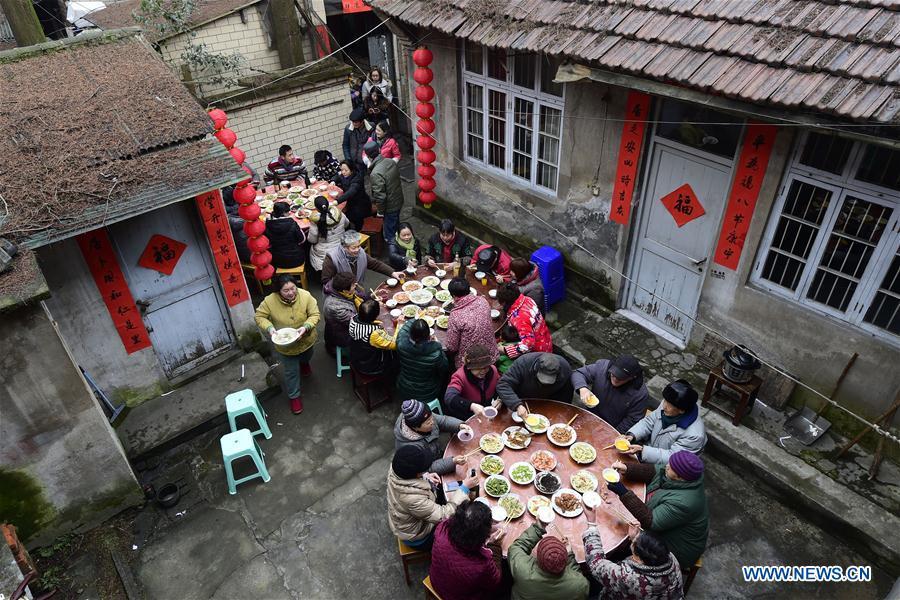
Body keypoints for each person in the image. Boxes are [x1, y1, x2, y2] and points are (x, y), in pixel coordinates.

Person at [605, 450, 709, 571]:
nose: (666, 466)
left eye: (670, 467)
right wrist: (626, 468)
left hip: (673, 548)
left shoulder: (685, 502)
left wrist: (623, 492)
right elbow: (655, 471)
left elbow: (651, 522)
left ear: (680, 477)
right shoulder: (682, 476)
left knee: (618, 537)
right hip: (664, 528)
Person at [387, 445, 476, 548]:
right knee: (465, 528)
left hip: (409, 518)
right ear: (416, 474)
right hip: (418, 535)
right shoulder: (413, 499)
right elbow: (443, 515)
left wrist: (425, 477)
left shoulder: (397, 469)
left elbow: (410, 480)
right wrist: (464, 488)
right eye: (423, 470)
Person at [254, 275, 319, 415]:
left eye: (293, 288)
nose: (291, 293)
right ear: (278, 291)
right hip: (285, 345)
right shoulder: (269, 301)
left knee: (307, 355)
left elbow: (314, 314)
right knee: (291, 372)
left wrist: (306, 326)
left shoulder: (305, 296)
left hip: (306, 339)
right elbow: (259, 316)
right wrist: (270, 328)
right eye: (286, 290)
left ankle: (304, 363)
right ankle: (294, 397)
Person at [582, 523, 683, 600]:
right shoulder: (670, 558)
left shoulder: (630, 578)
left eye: (635, 543)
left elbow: (595, 563)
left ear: (639, 559)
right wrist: (636, 538)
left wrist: (592, 526)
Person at [430, 500, 505, 600]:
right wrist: (494, 545)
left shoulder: (441, 530)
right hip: (457, 596)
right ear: (482, 536)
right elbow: (495, 581)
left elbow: (451, 520)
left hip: (436, 580)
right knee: (503, 586)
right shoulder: (483, 564)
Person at [624, 379, 707, 464]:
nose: (663, 406)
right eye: (665, 400)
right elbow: (649, 421)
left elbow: (673, 458)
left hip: (665, 469)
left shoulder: (694, 436)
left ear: (681, 410)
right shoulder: (668, 404)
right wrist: (632, 435)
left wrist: (643, 451)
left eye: (669, 405)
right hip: (648, 452)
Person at [508, 522, 590, 600]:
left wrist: (537, 529)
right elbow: (576, 575)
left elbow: (516, 548)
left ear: (538, 557)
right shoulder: (580, 585)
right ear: (565, 560)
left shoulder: (522, 570)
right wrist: (569, 554)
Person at [571, 355, 648, 433]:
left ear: (632, 377)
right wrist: (583, 388)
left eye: (620, 378)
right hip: (588, 414)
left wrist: (613, 433)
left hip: (611, 427)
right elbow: (578, 373)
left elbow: (632, 419)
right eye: (614, 374)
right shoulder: (602, 367)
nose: (615, 379)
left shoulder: (640, 394)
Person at [394, 399, 473, 475]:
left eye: (431, 417)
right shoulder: (411, 449)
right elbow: (426, 469)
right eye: (428, 422)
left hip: (437, 454)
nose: (432, 422)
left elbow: (443, 421)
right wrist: (452, 462)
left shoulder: (425, 416)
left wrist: (459, 425)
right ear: (415, 427)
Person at [497, 352, 573, 419]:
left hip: (547, 403)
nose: (544, 383)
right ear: (536, 368)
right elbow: (503, 384)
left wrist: (561, 414)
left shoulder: (565, 369)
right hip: (521, 400)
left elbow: (566, 396)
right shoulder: (523, 362)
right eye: (542, 378)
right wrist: (517, 405)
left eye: (549, 380)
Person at [445, 277, 497, 369]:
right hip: (491, 353)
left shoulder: (455, 315)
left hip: (471, 362)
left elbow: (452, 347)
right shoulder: (483, 301)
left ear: (453, 296)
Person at [321, 230, 403, 287]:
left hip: (356, 290)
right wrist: (345, 286)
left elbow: (375, 264)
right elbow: (326, 281)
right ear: (344, 247)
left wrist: (392, 273)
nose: (357, 250)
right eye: (353, 248)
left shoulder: (361, 252)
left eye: (358, 246)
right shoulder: (331, 259)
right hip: (340, 295)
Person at [364, 141, 404, 254]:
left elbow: (380, 196)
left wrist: (380, 212)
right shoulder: (390, 162)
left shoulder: (375, 173)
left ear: (367, 156)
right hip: (398, 200)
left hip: (389, 207)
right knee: (396, 226)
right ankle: (401, 246)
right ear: (379, 150)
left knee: (389, 234)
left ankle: (395, 255)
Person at [396, 318, 449, 402]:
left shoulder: (401, 344)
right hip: (428, 392)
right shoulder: (436, 353)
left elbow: (403, 330)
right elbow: (444, 368)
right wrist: (437, 344)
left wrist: (415, 319)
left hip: (405, 388)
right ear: (429, 336)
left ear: (410, 334)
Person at [496, 282, 552, 359]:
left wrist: (504, 350)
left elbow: (528, 344)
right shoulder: (527, 299)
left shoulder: (519, 318)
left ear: (504, 302)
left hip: (538, 352)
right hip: (545, 339)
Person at [444, 345, 500, 420]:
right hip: (469, 415)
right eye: (478, 368)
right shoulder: (460, 376)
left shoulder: (493, 370)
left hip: (488, 411)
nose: (483, 371)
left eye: (486, 367)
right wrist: (471, 406)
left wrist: (500, 399)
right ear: (469, 367)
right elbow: (449, 397)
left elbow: (501, 386)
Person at [348, 300, 399, 376]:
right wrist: (399, 325)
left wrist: (376, 323)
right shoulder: (373, 333)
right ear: (376, 314)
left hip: (357, 357)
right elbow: (394, 344)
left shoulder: (354, 318)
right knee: (397, 356)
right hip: (371, 366)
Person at [322, 271, 364, 354]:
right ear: (345, 291)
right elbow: (356, 322)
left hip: (345, 324)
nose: (355, 285)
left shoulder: (342, 290)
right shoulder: (335, 307)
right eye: (353, 285)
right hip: (343, 334)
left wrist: (372, 297)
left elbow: (360, 295)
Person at [307, 195, 349, 272]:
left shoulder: (315, 221)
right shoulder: (339, 214)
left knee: (309, 247)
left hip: (324, 253)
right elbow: (347, 224)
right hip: (341, 246)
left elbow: (312, 240)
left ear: (316, 209)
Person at [332, 160, 371, 232]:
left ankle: (358, 231)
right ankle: (348, 228)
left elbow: (350, 192)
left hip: (360, 203)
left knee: (354, 218)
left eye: (346, 170)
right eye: (342, 170)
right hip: (350, 202)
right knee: (345, 215)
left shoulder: (357, 179)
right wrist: (333, 181)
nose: (343, 172)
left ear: (352, 170)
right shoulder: (344, 174)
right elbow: (337, 176)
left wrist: (337, 201)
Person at [264, 202, 306, 268]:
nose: (289, 213)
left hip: (277, 261)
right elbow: (302, 240)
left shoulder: (267, 223)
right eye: (288, 211)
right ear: (283, 213)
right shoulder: (292, 224)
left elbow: (268, 242)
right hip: (296, 259)